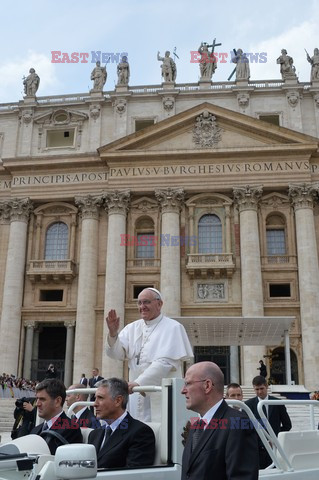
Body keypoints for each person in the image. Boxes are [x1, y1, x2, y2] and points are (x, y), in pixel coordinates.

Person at [106, 287, 193, 421]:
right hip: (135, 394)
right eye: (139, 303)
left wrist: (139, 383)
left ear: (159, 304)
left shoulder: (173, 327)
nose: (142, 306)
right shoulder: (132, 328)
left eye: (146, 302)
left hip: (161, 392)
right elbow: (118, 354)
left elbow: (165, 363)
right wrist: (113, 334)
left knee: (162, 432)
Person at [181, 361, 259, 480]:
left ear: (207, 385)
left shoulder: (237, 424)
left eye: (187, 383)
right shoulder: (195, 427)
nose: (183, 390)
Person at [88, 378, 155, 468]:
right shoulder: (94, 434)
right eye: (95, 398)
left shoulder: (140, 433)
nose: (95, 404)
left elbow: (134, 475)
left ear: (118, 401)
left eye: (100, 398)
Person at [245, 375, 292, 469]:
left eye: (261, 388)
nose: (259, 392)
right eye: (256, 389)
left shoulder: (278, 403)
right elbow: (247, 428)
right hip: (257, 450)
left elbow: (287, 425)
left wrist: (274, 437)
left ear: (266, 386)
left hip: (275, 448)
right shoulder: (248, 405)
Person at [30, 378, 82, 454]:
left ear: (57, 401)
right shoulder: (35, 430)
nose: (37, 404)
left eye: (42, 399)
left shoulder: (71, 429)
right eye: (37, 399)